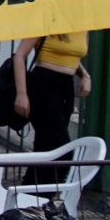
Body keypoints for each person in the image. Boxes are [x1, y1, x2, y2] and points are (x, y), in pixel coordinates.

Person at [11, 31, 92, 185]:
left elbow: (71, 55)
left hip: (66, 88)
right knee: (61, 151)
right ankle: (44, 195)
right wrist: (21, 94)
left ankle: (28, 194)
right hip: (44, 83)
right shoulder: (45, 21)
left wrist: (84, 75)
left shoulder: (83, 26)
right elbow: (20, 55)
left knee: (45, 146)